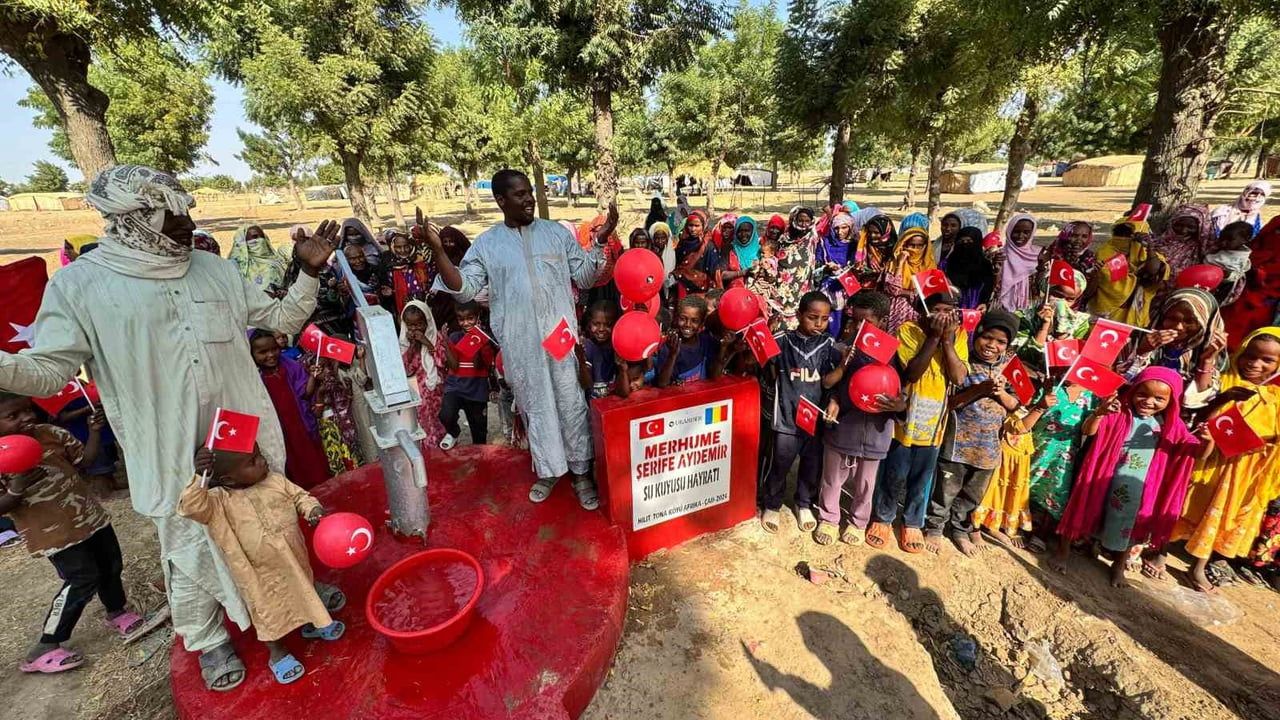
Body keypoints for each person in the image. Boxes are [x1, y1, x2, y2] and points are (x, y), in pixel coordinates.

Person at [0, 165, 339, 692]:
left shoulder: (213, 269)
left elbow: (281, 320)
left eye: (186, 210)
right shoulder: (80, 286)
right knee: (189, 546)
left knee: (271, 521)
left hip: (244, 436)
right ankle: (210, 640)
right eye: (171, 213)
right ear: (131, 219)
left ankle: (300, 600)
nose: (186, 221)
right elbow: (48, 370)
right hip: (169, 448)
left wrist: (309, 272)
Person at [427, 170, 613, 511]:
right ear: (500, 200)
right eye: (519, 194)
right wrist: (438, 251)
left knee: (570, 405)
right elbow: (464, 287)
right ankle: (548, 469)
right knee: (536, 408)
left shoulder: (556, 233)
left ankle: (581, 472)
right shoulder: (487, 244)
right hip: (520, 345)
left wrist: (601, 242)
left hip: (561, 340)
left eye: (529, 192)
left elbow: (586, 277)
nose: (528, 199)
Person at [0, 391, 155, 674]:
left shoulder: (49, 433)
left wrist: (95, 431)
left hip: (91, 519)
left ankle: (117, 611)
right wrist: (17, 485)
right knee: (82, 578)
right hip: (54, 535)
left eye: (27, 410)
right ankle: (46, 645)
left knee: (111, 565)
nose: (27, 418)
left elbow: (85, 461)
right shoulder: (1, 457)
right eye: (13, 416)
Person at [183, 445, 344, 685]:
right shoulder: (218, 503)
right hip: (257, 574)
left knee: (304, 589)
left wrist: (313, 510)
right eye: (252, 461)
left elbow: (301, 496)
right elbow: (190, 507)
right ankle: (277, 652)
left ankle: (315, 623)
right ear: (228, 478)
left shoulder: (275, 481)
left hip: (293, 559)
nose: (263, 461)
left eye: (259, 455)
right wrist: (199, 476)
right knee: (268, 611)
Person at [1053, 368, 1212, 586]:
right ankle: (1063, 552)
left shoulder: (1171, 428)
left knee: (1129, 526)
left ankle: (1118, 567)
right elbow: (1088, 431)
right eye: (1142, 394)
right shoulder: (1118, 413)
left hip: (1137, 490)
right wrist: (1099, 414)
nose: (1148, 401)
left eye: (1159, 398)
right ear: (1133, 390)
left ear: (1171, 401)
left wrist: (1208, 441)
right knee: (1086, 507)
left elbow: (1196, 454)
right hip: (1101, 479)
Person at [1173, 328, 1280, 591]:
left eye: (1267, 361)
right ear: (1241, 351)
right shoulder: (1223, 380)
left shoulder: (1275, 398)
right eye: (1250, 355)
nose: (1255, 364)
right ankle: (1160, 551)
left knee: (1219, 517)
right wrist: (1222, 391)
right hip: (1208, 460)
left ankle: (1197, 567)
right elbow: (1195, 404)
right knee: (1186, 504)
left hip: (1242, 470)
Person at [866, 292, 968, 553]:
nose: (944, 317)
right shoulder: (908, 331)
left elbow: (958, 377)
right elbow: (911, 372)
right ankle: (883, 517)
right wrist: (933, 337)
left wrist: (947, 341)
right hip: (906, 420)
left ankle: (912, 522)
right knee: (894, 472)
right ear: (924, 311)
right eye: (937, 310)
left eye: (949, 310)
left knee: (922, 478)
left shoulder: (960, 335)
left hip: (935, 425)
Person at [924, 310, 1021, 556]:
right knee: (945, 491)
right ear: (977, 333)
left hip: (988, 450)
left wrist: (999, 393)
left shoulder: (1009, 369)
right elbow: (953, 402)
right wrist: (981, 389)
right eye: (988, 337)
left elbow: (1016, 406)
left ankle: (959, 530)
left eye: (1001, 342)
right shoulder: (964, 361)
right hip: (956, 445)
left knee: (971, 496)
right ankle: (935, 528)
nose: (992, 345)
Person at [815, 290, 903, 546]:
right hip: (843, 427)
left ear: (883, 322)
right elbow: (830, 384)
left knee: (866, 483)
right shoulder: (841, 350)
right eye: (854, 321)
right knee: (832, 477)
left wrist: (900, 405)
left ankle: (857, 522)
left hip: (876, 431)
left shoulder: (894, 355)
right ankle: (829, 519)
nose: (858, 328)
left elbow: (902, 388)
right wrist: (833, 398)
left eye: (867, 323)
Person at [759, 292, 847, 535]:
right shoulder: (782, 340)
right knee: (780, 462)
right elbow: (763, 364)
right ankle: (772, 503)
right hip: (786, 416)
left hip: (815, 419)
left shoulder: (829, 345)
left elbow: (829, 383)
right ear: (798, 315)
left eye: (824, 319)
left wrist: (839, 379)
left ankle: (803, 503)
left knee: (811, 464)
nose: (819, 323)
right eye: (812, 317)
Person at [249, 330, 330, 489]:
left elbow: (305, 393)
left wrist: (313, 377)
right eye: (263, 352)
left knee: (312, 460)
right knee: (288, 462)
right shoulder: (253, 378)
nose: (271, 355)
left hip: (300, 424)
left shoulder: (290, 366)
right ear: (251, 354)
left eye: (274, 349)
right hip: (276, 429)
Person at [1119, 287, 1226, 398]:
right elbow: (1120, 380)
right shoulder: (1137, 337)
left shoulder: (1207, 349)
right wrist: (1143, 351)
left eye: (1189, 321)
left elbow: (1201, 400)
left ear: (1205, 323)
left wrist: (1207, 360)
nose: (1178, 327)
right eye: (1172, 318)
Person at [1087, 215, 1167, 327]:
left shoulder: (1150, 254)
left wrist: (1149, 247)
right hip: (1106, 313)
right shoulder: (1104, 252)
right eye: (1120, 234)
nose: (1123, 238)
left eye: (1128, 235)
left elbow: (1154, 271)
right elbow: (1103, 283)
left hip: (1136, 312)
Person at [439, 301, 494, 447]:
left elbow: (479, 366)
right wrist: (445, 343)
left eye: (470, 318)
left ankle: (481, 463)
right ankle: (454, 432)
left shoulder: (484, 339)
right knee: (445, 415)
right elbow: (454, 366)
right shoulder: (455, 337)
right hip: (455, 387)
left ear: (477, 317)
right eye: (461, 319)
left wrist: (475, 340)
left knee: (479, 434)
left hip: (476, 391)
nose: (466, 323)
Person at [1220, 215, 1280, 341]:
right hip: (1238, 293)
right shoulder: (1246, 251)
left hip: (1267, 300)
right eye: (1278, 231)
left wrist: (1261, 273)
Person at [399, 301, 448, 448]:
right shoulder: (404, 342)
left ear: (427, 322)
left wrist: (427, 343)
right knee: (422, 423)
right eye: (411, 325)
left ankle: (440, 450)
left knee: (437, 421)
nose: (415, 329)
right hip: (416, 391)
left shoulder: (436, 337)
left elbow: (442, 362)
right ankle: (426, 452)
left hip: (435, 390)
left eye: (419, 324)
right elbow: (407, 369)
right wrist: (412, 345)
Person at [762, 207, 818, 331]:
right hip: (782, 285)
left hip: (801, 286)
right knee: (779, 318)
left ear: (811, 221)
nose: (803, 224)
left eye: (807, 221)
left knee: (798, 318)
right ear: (795, 221)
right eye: (800, 221)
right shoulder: (784, 238)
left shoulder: (812, 239)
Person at [654, 296, 725, 387]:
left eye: (694, 321)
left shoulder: (705, 340)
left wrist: (723, 348)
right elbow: (662, 383)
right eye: (683, 319)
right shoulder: (670, 345)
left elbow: (715, 375)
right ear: (676, 318)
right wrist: (672, 355)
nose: (688, 325)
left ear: (701, 323)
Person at [884, 227, 934, 332]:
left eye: (920, 246)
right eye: (911, 245)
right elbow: (893, 289)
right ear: (904, 244)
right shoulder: (894, 262)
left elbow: (928, 294)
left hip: (919, 312)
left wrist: (904, 292)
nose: (915, 249)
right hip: (896, 311)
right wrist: (900, 264)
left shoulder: (930, 265)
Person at [1149, 204, 1213, 283]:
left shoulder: (1205, 250)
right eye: (1179, 225)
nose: (1183, 230)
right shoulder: (1160, 240)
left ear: (1201, 228)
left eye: (1191, 227)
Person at [992, 213, 1040, 313]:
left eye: (1026, 232)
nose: (1020, 236)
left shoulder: (1039, 255)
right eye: (1016, 232)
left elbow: (1042, 285)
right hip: (1001, 309)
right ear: (1009, 231)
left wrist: (1042, 269)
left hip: (1029, 308)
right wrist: (995, 269)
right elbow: (991, 286)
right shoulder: (998, 255)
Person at [427, 226, 472, 331]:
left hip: (461, 300)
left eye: (451, 241)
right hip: (443, 302)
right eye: (445, 242)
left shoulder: (465, 258)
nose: (448, 245)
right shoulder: (437, 258)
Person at [228, 224, 291, 297]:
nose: (260, 240)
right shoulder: (237, 267)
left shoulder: (278, 261)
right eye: (255, 237)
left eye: (262, 237)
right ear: (243, 242)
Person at [576, 300, 621, 400]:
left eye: (608, 324)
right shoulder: (587, 347)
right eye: (596, 324)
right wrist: (581, 362)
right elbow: (586, 385)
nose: (601, 329)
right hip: (594, 408)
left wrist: (622, 368)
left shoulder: (618, 346)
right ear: (589, 324)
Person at [942, 227, 996, 310]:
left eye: (969, 241)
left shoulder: (985, 265)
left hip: (975, 308)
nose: (965, 245)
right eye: (961, 241)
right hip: (950, 308)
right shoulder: (946, 264)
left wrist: (984, 302)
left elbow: (988, 286)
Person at [1204, 220, 1254, 305]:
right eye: (1222, 238)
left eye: (1230, 240)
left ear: (1245, 240)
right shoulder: (1220, 249)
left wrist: (1226, 274)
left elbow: (1234, 275)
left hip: (1220, 290)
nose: (1223, 243)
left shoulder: (1239, 258)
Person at [382, 229, 430, 316]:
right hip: (402, 305)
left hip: (423, 303)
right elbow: (389, 287)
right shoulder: (389, 266)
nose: (403, 250)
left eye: (406, 246)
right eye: (398, 247)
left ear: (411, 246)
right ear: (393, 247)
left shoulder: (420, 261)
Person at [672, 210, 720, 298]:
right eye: (690, 225)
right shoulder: (683, 243)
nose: (693, 229)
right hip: (682, 287)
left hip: (701, 290)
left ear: (703, 226)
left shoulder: (708, 246)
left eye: (697, 226)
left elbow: (714, 271)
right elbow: (677, 264)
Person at [721, 216, 761, 289]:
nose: (743, 234)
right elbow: (722, 275)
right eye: (740, 231)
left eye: (747, 231)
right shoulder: (729, 249)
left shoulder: (761, 250)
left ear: (753, 231)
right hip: (735, 292)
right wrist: (743, 273)